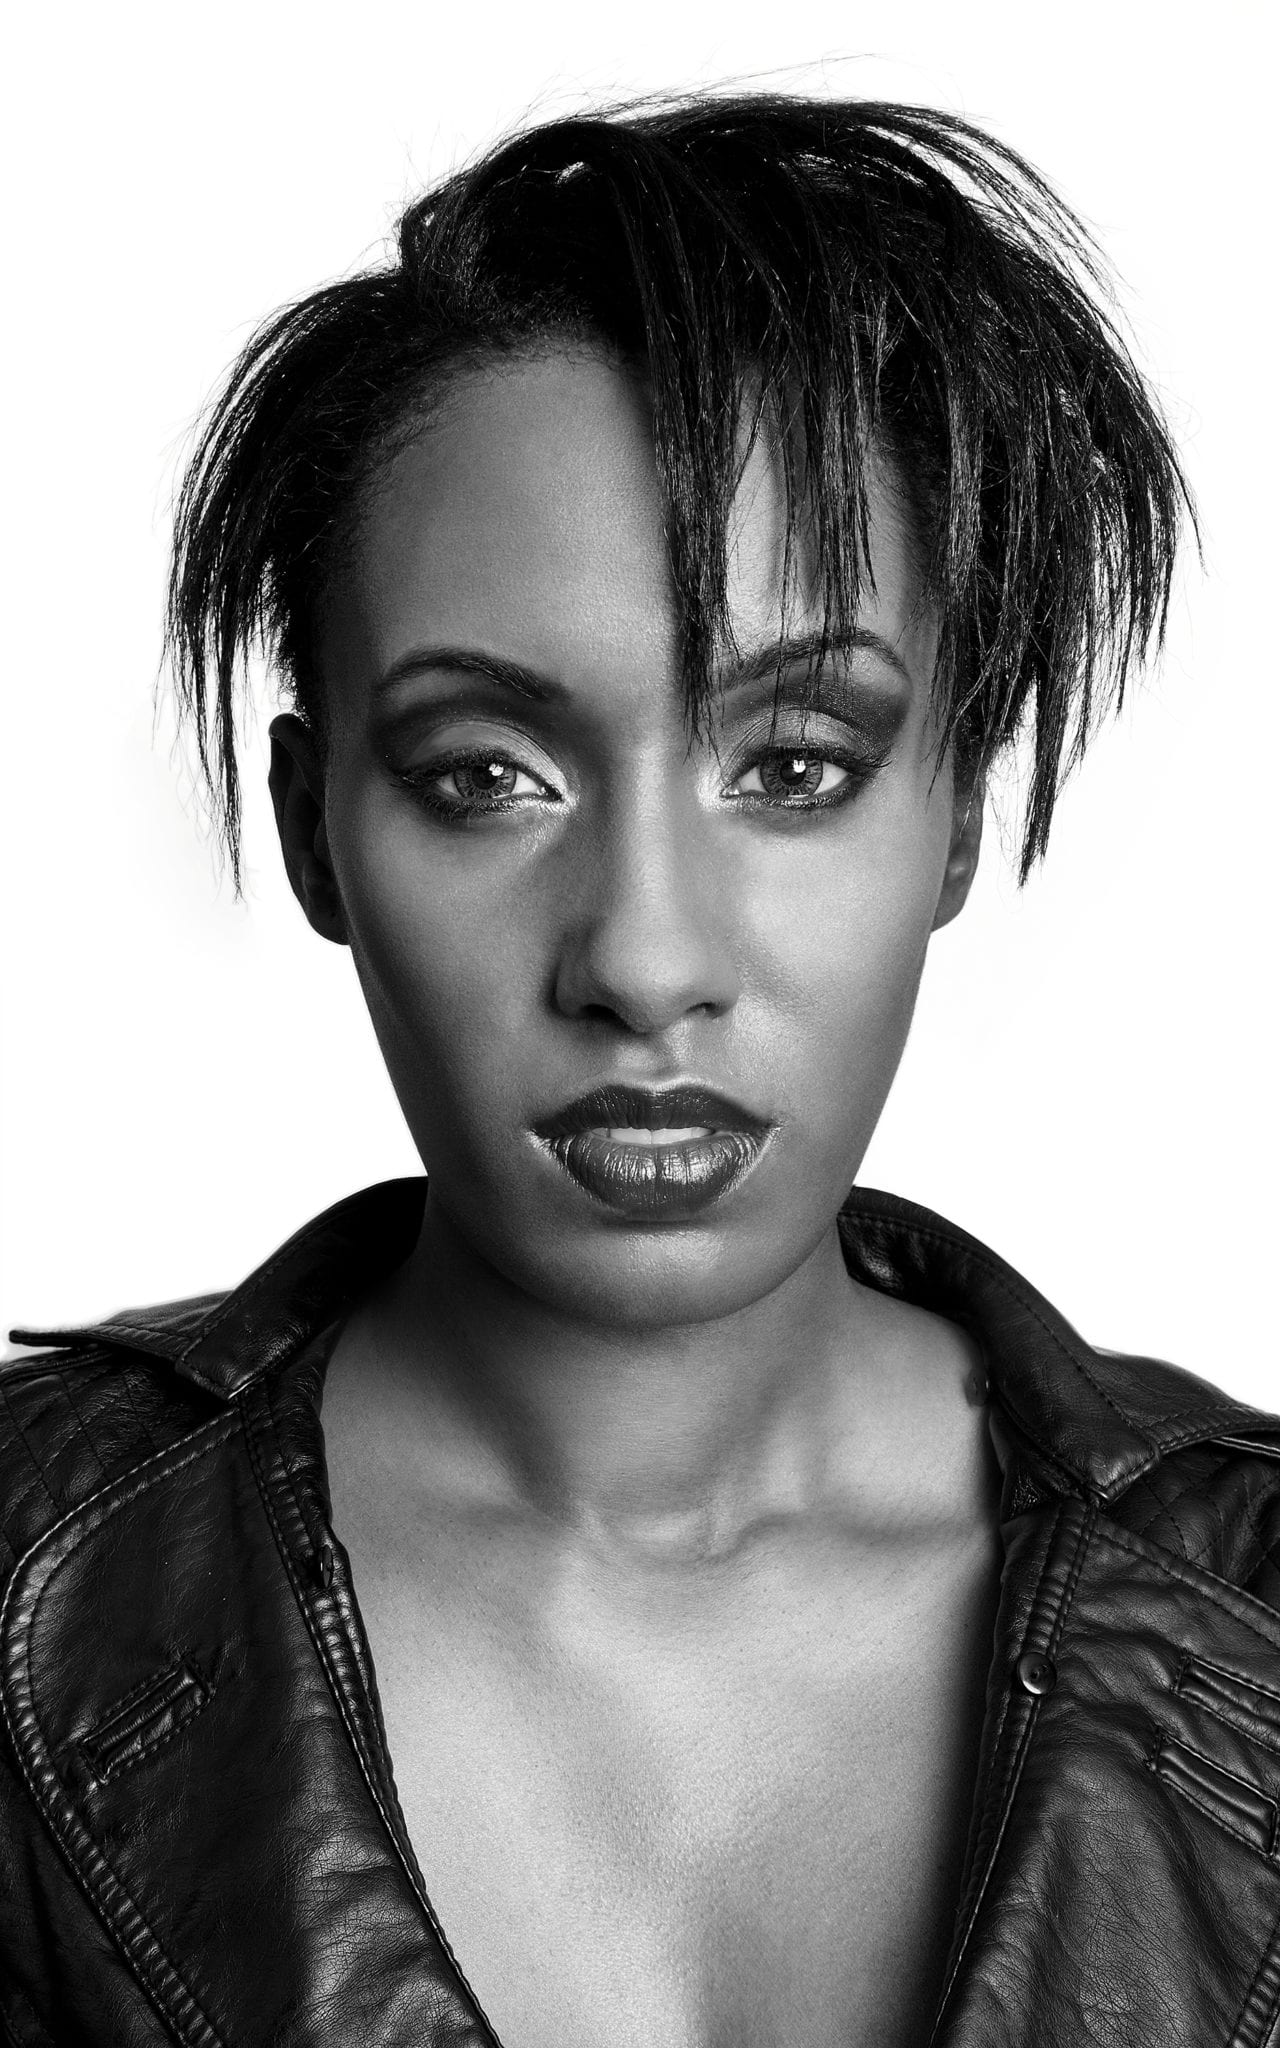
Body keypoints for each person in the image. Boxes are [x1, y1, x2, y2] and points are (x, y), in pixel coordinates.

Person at [2, 90, 1277, 2048]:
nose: (646, 960)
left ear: (956, 814)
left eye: (796, 764)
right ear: (318, 828)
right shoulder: (29, 1591)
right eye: (484, 776)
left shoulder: (1253, 1616)